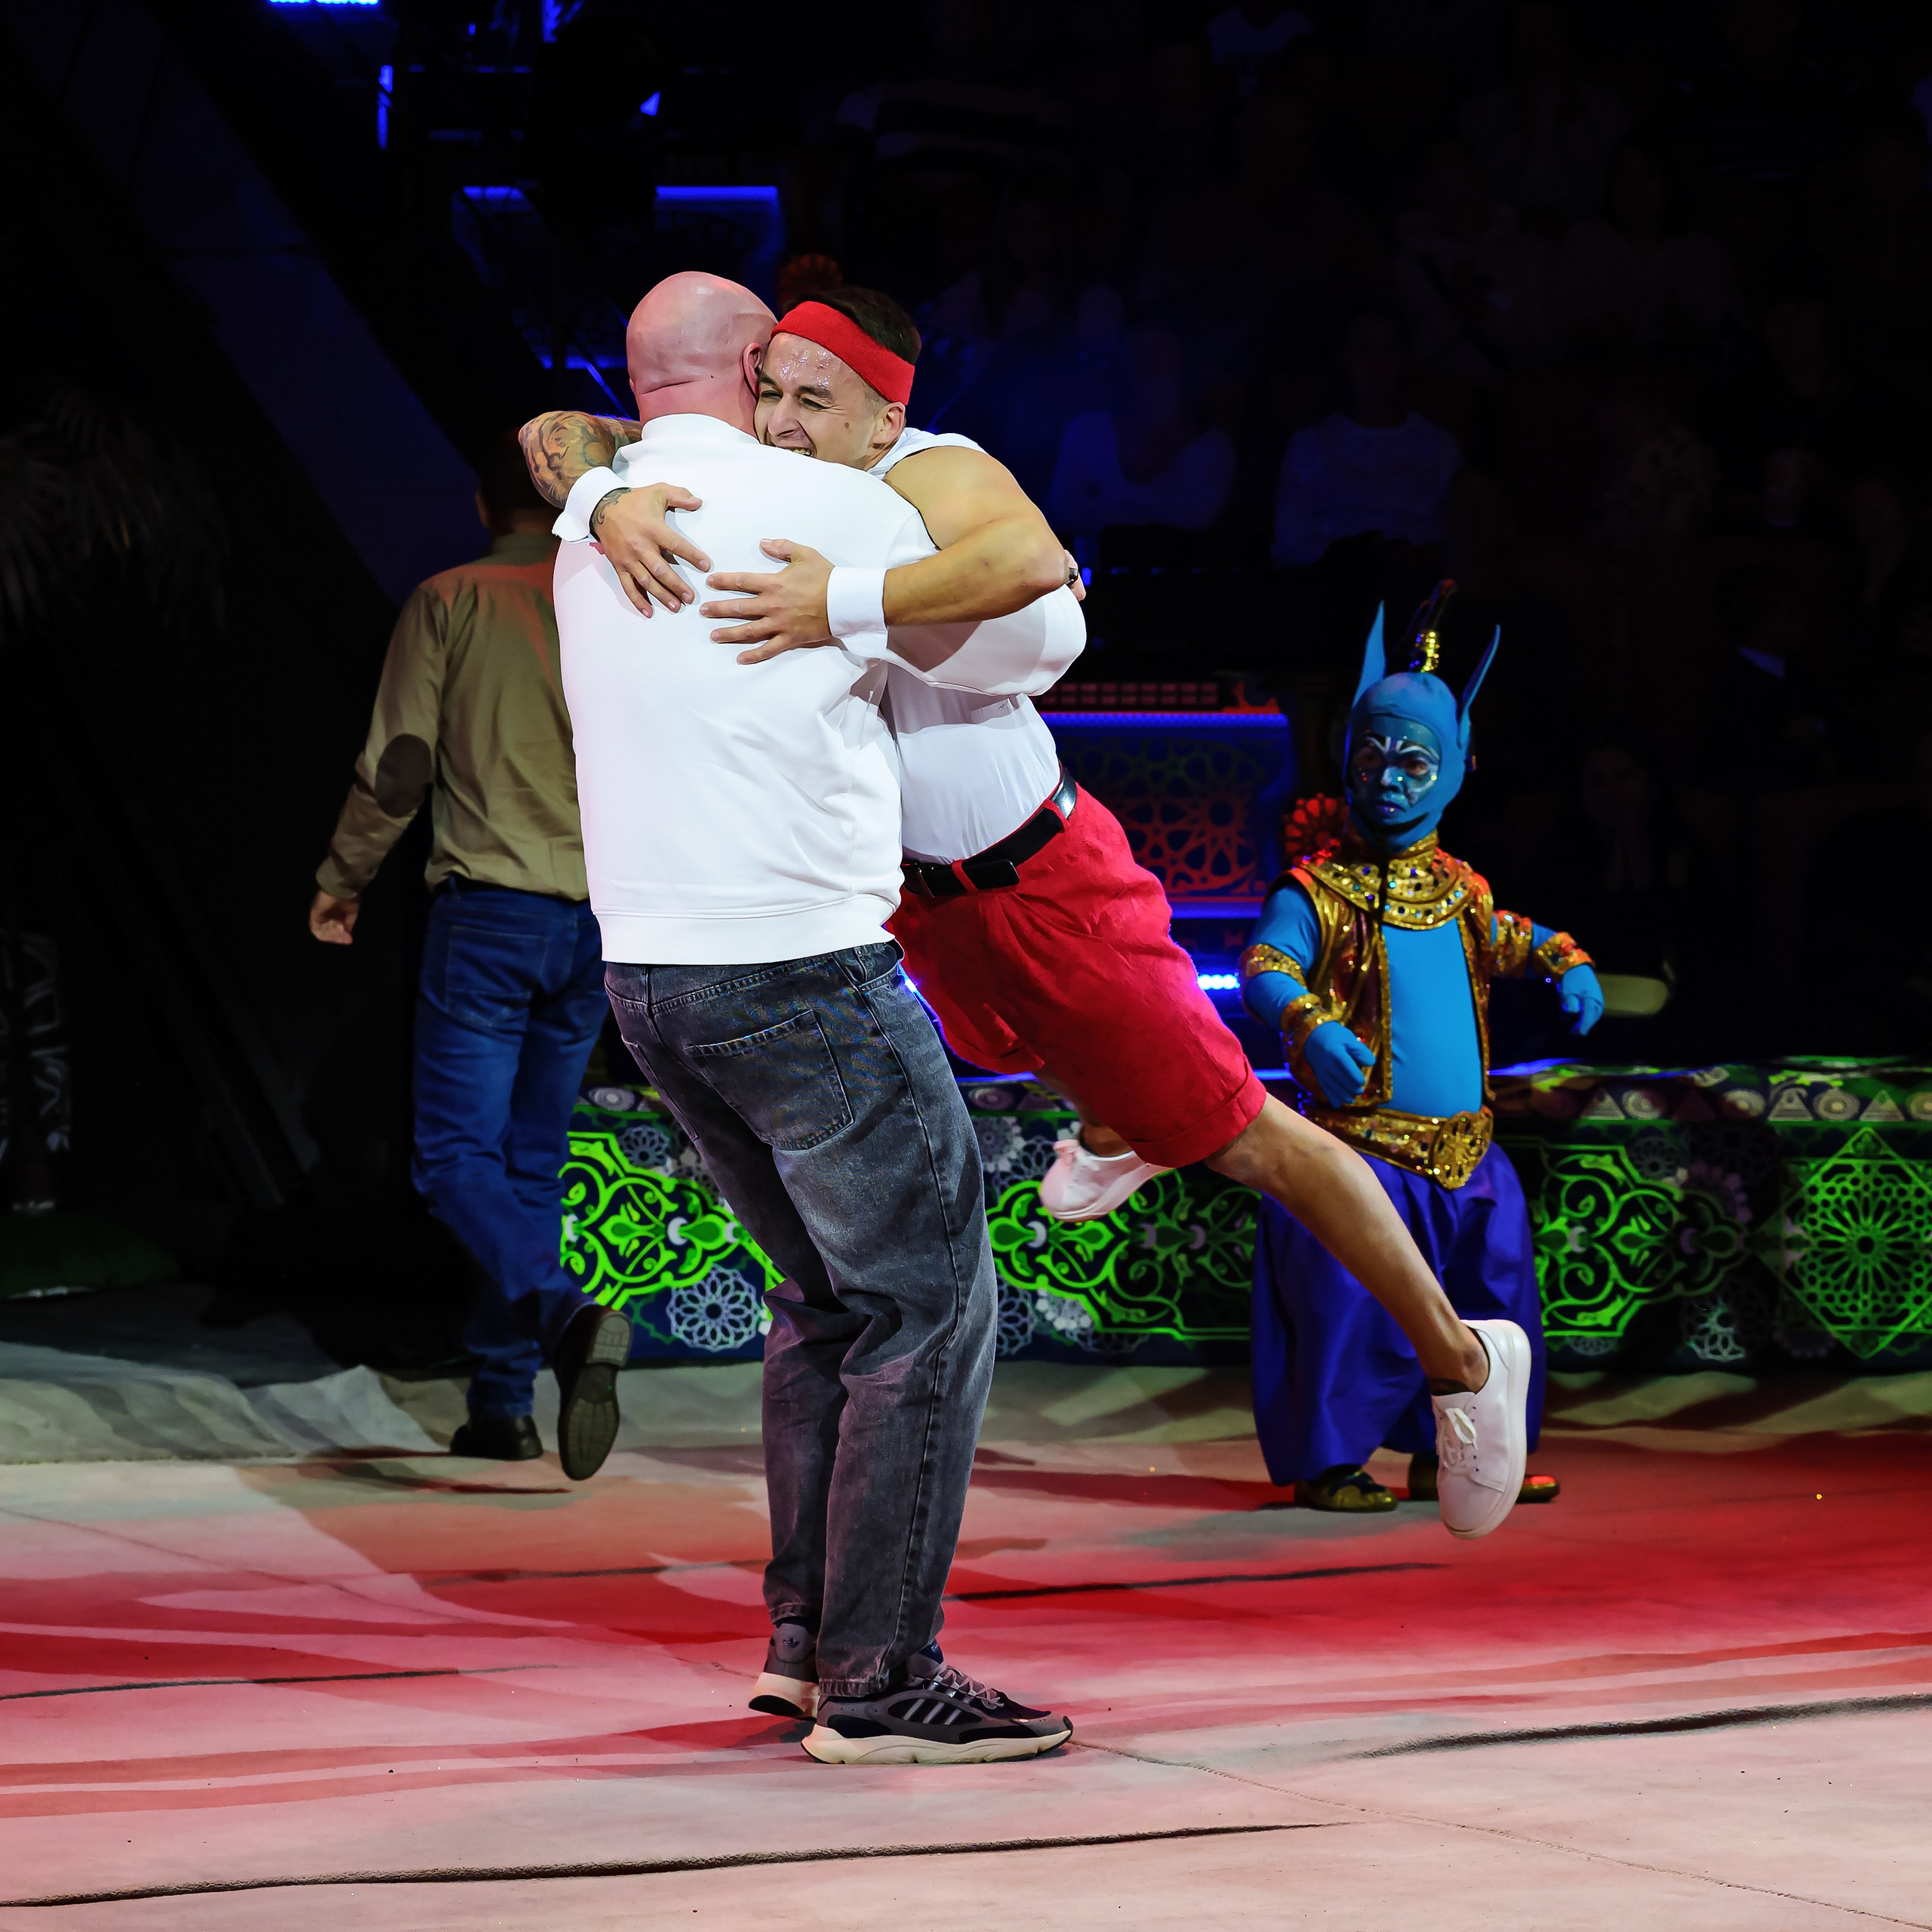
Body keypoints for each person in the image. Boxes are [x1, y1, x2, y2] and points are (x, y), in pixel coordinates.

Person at [526, 288, 1533, 1552]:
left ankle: (1462, 1360)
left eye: (810, 401)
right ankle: (1116, 1119)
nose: (778, 424)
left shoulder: (928, 470)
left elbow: (1040, 568)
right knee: (1005, 1083)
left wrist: (837, 600)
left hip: (1043, 889)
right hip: (917, 913)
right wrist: (600, 498)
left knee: (1248, 1138)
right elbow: (563, 427)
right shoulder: (766, 471)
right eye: (766, 393)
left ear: (886, 411)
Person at [546, 270, 1078, 1767]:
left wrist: (586, 488)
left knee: (830, 1305)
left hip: (649, 985)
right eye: (771, 374)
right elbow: (1037, 600)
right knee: (929, 1304)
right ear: (741, 369)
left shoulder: (593, 522)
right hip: (803, 973)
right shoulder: (822, 510)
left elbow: (568, 449)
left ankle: (802, 1643)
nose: (786, 405)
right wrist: (866, 592)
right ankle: (882, 1674)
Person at [1241, 589, 1603, 1523]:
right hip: (1358, 1154)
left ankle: (1469, 1457)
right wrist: (1312, 1026)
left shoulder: (1464, 891)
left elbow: (1520, 936)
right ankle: (1330, 1459)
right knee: (1348, 1312)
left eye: (1414, 762)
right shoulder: (1320, 889)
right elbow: (1266, 965)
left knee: (1496, 1303)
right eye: (1375, 758)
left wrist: (1567, 960)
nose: (1392, 780)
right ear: (1346, 761)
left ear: (1455, 771)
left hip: (1468, 1154)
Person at [308, 435, 630, 1479]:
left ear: (482, 501)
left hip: (491, 913)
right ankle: (503, 1407)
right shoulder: (618, 595)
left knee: (454, 1162)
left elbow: (399, 760)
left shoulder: (451, 598)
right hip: (599, 922)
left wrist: (344, 877)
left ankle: (560, 1313)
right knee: (529, 1165)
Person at [1272, 309, 1463, 568]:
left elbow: (1455, 539)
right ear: (1344, 357)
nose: (1377, 362)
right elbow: (1289, 544)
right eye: (1365, 348)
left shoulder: (1440, 447)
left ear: (1404, 359)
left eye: (1389, 349)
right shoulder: (1310, 444)